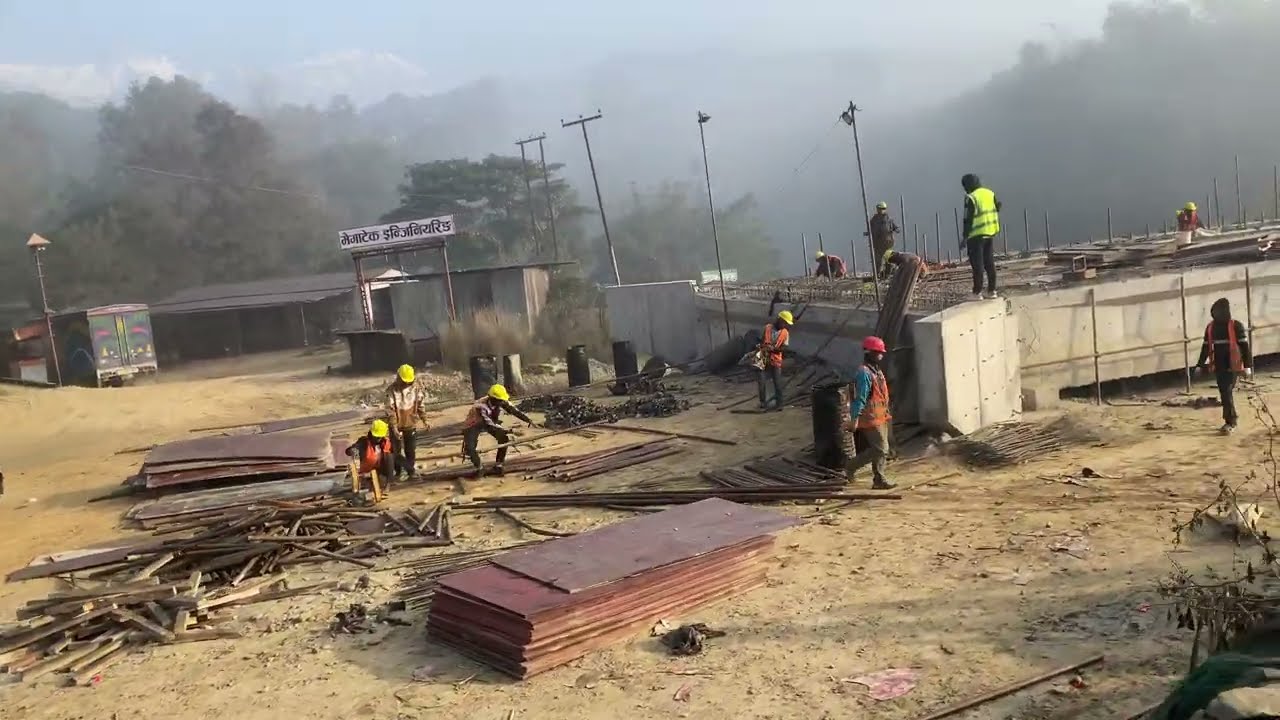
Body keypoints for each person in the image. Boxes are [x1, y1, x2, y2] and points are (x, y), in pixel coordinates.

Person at [844, 336, 895, 489]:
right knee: (881, 449)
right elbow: (860, 398)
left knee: (881, 450)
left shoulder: (876, 370)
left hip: (881, 416)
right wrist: (854, 419)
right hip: (870, 417)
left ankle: (879, 479)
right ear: (870, 352)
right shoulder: (864, 373)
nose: (881, 355)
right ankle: (851, 467)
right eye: (878, 352)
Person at [1196, 298, 1253, 434]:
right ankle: (1231, 419)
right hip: (1219, 365)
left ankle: (1230, 421)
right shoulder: (1211, 328)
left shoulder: (1235, 326)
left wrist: (1247, 366)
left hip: (1233, 365)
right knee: (1224, 391)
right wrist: (1200, 364)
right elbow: (1205, 348)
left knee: (1226, 391)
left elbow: (1245, 347)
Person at [462, 384, 537, 477]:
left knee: (504, 439)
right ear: (493, 399)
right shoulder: (481, 407)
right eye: (500, 401)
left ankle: (499, 465)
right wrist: (512, 431)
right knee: (470, 448)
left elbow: (514, 410)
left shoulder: (501, 401)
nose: (502, 402)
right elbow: (490, 424)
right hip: (473, 424)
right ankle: (479, 468)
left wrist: (528, 420)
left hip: (489, 421)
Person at [961, 173, 1002, 300]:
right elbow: (997, 207)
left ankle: (977, 292)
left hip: (975, 236)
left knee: (977, 265)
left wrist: (965, 237)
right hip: (989, 233)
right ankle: (992, 291)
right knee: (989, 263)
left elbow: (968, 219)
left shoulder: (971, 197)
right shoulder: (990, 193)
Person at [385, 364, 430, 479]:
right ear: (399, 378)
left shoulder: (415, 388)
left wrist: (425, 420)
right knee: (396, 451)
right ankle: (398, 472)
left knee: (411, 450)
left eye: (409, 382)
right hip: (397, 425)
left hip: (410, 423)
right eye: (404, 382)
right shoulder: (391, 391)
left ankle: (411, 472)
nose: (406, 384)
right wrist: (394, 428)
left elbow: (420, 404)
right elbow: (390, 411)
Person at [756, 310, 793, 410]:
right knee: (761, 382)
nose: (785, 325)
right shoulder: (767, 328)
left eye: (786, 324)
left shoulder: (785, 333)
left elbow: (785, 348)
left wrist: (774, 349)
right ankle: (763, 402)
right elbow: (760, 340)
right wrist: (761, 346)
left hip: (775, 360)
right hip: (763, 359)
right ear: (779, 320)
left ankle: (779, 404)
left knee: (777, 383)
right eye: (784, 322)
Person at [868, 201, 900, 275]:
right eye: (880, 208)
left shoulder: (889, 219)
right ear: (877, 209)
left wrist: (895, 229)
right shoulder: (874, 220)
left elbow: (896, 228)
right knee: (878, 261)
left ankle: (887, 274)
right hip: (877, 244)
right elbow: (871, 229)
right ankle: (877, 275)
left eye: (883, 208)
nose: (881, 210)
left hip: (887, 243)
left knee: (888, 260)